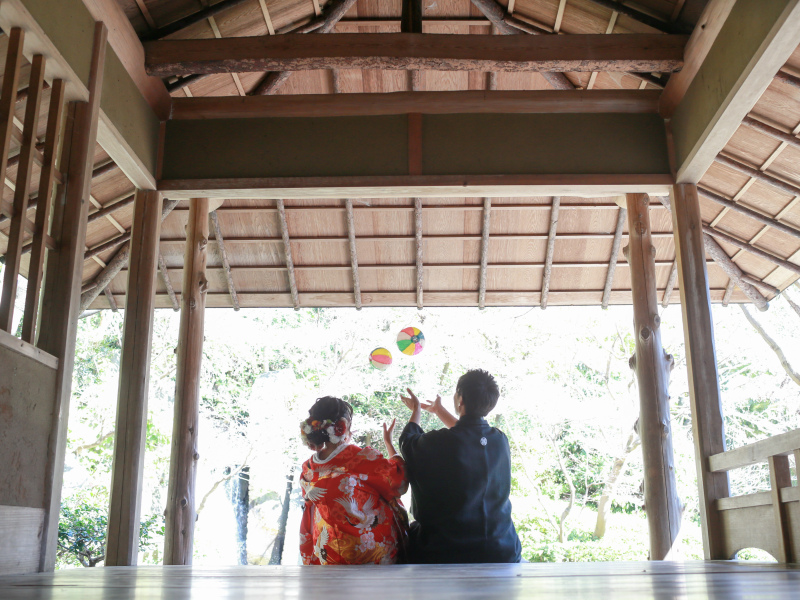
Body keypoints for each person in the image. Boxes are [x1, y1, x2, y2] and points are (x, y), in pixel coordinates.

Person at [399, 369, 522, 563]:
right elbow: (468, 434)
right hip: (502, 549)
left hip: (447, 550)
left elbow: (408, 441)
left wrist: (417, 410)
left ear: (460, 399)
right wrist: (439, 410)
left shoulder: (440, 442)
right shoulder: (499, 440)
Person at [298, 396, 408, 565]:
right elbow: (398, 481)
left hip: (328, 556)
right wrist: (389, 444)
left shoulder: (308, 469)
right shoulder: (360, 458)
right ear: (344, 425)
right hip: (370, 556)